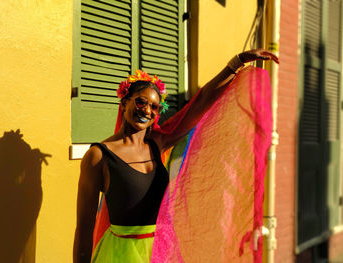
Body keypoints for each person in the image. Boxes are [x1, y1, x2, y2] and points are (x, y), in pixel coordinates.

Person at [73, 49, 279, 263]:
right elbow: (84, 229)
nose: (147, 110)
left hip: (162, 252)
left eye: (154, 107)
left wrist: (237, 62)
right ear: (124, 102)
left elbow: (198, 104)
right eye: (141, 102)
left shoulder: (157, 144)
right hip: (118, 255)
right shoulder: (98, 157)